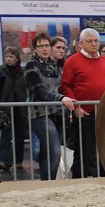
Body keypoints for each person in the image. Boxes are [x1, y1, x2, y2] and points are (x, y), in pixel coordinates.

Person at [60, 28, 105, 178]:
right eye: (89, 41)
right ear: (81, 43)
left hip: (104, 112)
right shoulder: (72, 61)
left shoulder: (104, 61)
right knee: (84, 149)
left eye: (96, 41)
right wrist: (76, 107)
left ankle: (104, 177)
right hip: (85, 112)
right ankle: (80, 178)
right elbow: (66, 86)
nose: (93, 44)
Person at [23, 33, 72, 180]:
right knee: (55, 152)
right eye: (41, 46)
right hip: (39, 114)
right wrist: (61, 98)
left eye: (46, 45)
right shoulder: (31, 66)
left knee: (47, 153)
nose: (44, 49)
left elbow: (59, 87)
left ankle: (45, 183)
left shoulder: (53, 66)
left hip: (56, 113)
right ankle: (50, 183)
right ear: (35, 49)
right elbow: (38, 91)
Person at [0, 46, 29, 175]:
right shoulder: (0, 71)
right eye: (7, 57)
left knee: (19, 135)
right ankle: (6, 161)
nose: (9, 59)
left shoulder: (23, 72)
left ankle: (18, 161)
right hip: (5, 108)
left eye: (11, 57)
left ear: (17, 58)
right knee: (5, 135)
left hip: (20, 108)